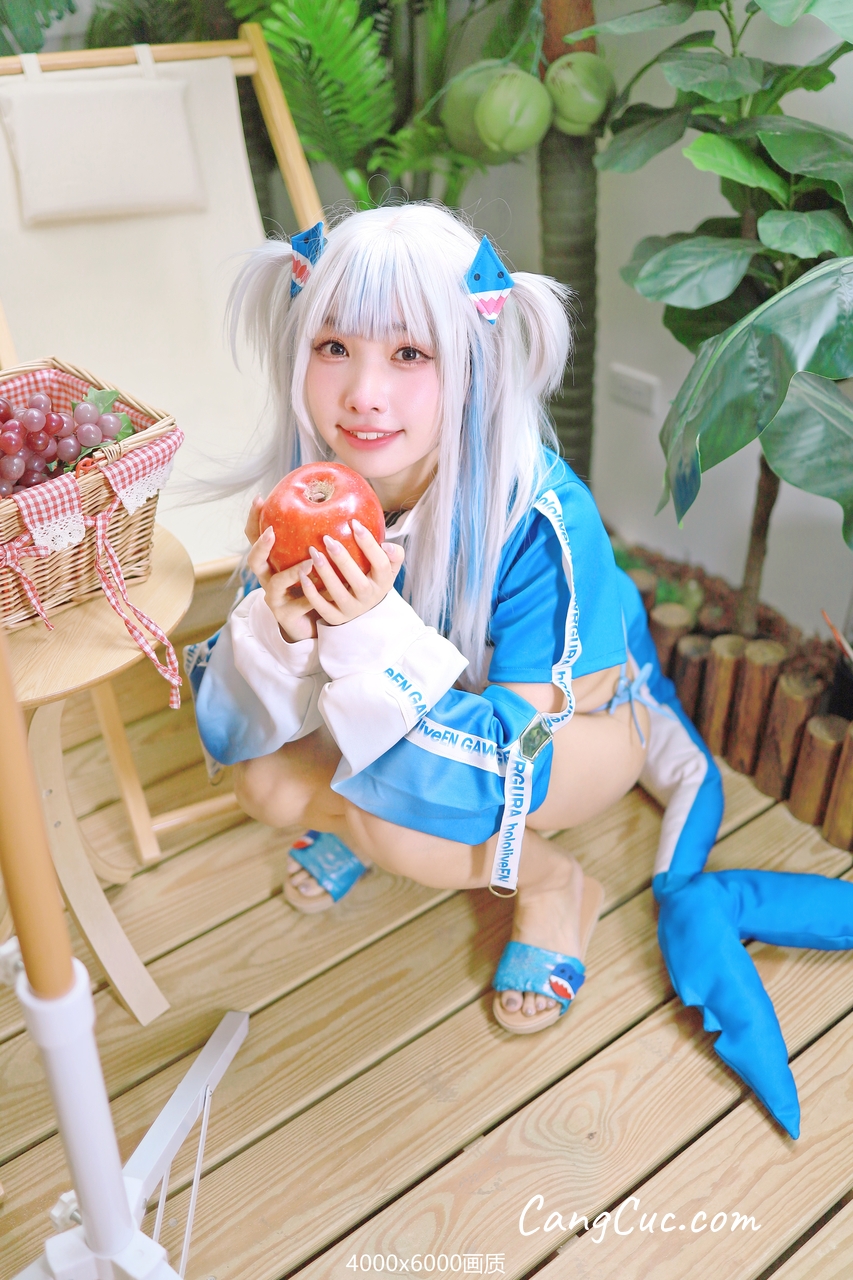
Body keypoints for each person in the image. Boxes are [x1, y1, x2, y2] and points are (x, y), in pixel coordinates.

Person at [188, 205, 853, 1129]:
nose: (363, 394)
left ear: (474, 360)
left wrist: (366, 632)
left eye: (410, 354)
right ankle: (370, 811)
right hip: (428, 723)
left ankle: (552, 886)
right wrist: (286, 633)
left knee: (395, 828)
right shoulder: (309, 485)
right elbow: (231, 732)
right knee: (265, 783)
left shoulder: (538, 516)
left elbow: (509, 758)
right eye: (334, 346)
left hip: (571, 732)